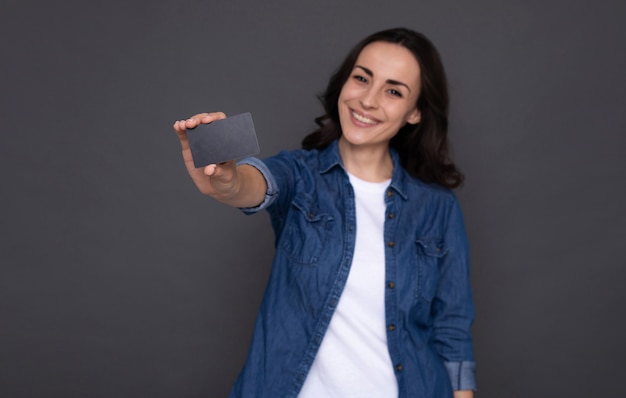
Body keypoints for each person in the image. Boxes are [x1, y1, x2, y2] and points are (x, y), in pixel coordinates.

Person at [173, 27, 476, 398]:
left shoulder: (438, 208)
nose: (367, 99)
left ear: (415, 113)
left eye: (393, 90)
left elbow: (452, 331)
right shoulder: (301, 177)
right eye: (362, 78)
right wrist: (225, 179)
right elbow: (254, 184)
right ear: (344, 82)